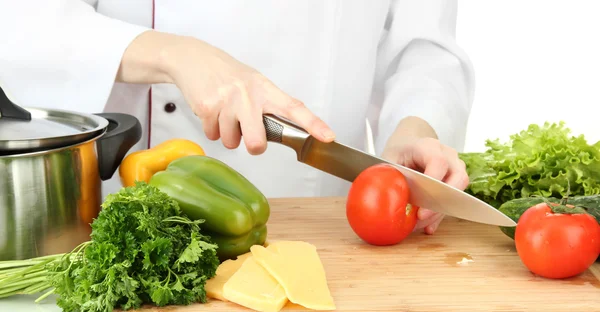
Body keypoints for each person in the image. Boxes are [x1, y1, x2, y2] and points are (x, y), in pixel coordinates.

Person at [0, 0, 474, 235]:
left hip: (328, 230)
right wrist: (173, 54)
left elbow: (423, 46)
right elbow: (22, 18)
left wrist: (416, 127)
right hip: (107, 217)